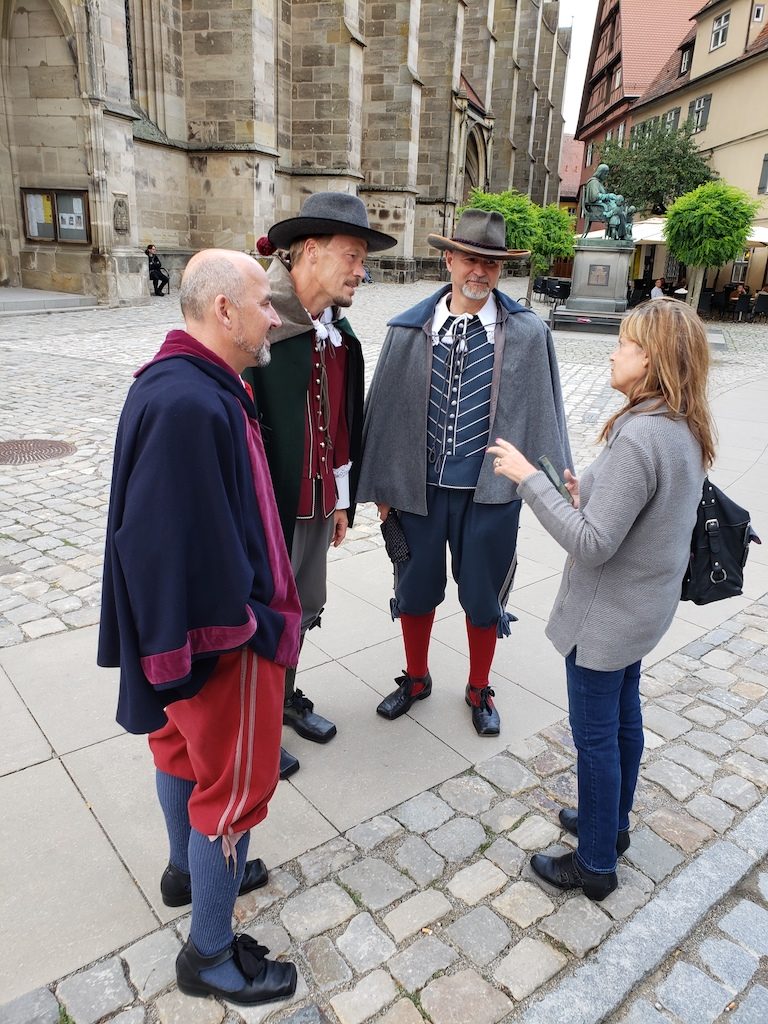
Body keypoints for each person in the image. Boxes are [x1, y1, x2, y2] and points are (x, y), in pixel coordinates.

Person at [98, 250, 302, 1005]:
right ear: (224, 311)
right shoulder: (192, 400)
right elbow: (169, 539)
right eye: (262, 303)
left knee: (180, 752)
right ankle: (210, 954)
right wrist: (242, 627)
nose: (273, 315)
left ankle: (188, 871)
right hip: (223, 641)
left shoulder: (184, 382)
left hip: (192, 634)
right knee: (234, 789)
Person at [488, 297, 715, 900]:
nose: (615, 350)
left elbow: (591, 545)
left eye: (626, 343)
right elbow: (636, 511)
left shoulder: (643, 435)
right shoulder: (680, 424)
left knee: (596, 737)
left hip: (609, 618)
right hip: (642, 611)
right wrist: (583, 487)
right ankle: (609, 827)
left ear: (653, 360)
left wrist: (529, 482)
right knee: (623, 721)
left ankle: (594, 866)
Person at [357, 210, 572, 736]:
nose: (480, 271)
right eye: (470, 259)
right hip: (417, 491)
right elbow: (383, 408)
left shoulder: (526, 332)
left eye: (491, 263)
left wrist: (552, 478)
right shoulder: (410, 329)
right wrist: (383, 487)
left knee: (483, 594)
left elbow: (547, 408)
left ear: (502, 269)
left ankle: (479, 686)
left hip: (490, 494)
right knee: (413, 587)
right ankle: (416, 677)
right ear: (449, 259)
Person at [243, 192, 396, 777]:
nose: (363, 271)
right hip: (265, 507)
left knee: (302, 608)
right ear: (310, 251)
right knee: (259, 616)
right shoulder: (261, 322)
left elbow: (337, 420)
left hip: (313, 501)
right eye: (354, 256)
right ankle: (254, 722)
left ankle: (282, 700)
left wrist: (339, 500)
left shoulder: (337, 332)